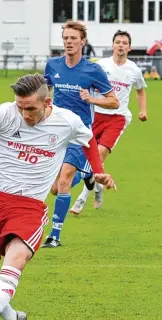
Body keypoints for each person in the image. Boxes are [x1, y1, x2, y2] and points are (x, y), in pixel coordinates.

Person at [0, 74, 116, 320]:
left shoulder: (66, 120)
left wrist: (98, 171)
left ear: (47, 102)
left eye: (31, 109)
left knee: (16, 262)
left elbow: (88, 141)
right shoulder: (4, 113)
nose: (24, 114)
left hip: (30, 207)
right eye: (20, 107)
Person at [41, 21, 119, 248]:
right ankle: (87, 176)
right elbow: (45, 92)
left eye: (73, 38)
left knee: (64, 180)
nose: (69, 42)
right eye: (66, 38)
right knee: (56, 189)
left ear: (83, 42)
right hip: (55, 132)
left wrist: (92, 99)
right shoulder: (53, 65)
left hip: (80, 133)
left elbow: (113, 101)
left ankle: (54, 236)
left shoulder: (93, 70)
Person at [71, 30, 147, 214]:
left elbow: (140, 90)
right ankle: (98, 190)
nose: (121, 45)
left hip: (117, 118)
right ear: (113, 45)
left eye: (124, 43)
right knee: (92, 160)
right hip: (95, 114)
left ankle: (80, 201)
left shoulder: (134, 70)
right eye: (118, 42)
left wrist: (143, 110)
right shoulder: (101, 65)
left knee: (98, 154)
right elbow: (86, 81)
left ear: (129, 47)